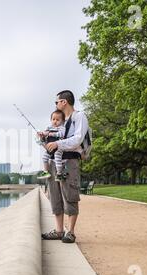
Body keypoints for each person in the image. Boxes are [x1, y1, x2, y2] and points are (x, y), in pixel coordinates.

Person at [41, 90, 89, 244]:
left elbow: (78, 139)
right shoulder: (59, 121)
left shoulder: (79, 116)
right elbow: (50, 146)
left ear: (64, 102)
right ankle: (59, 230)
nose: (55, 105)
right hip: (55, 162)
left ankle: (71, 232)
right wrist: (45, 140)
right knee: (55, 196)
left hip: (70, 162)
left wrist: (57, 143)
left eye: (57, 102)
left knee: (70, 195)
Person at [36, 110, 67, 181]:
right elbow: (44, 134)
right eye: (53, 119)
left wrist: (51, 134)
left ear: (62, 121)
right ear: (51, 120)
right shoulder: (49, 127)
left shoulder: (62, 128)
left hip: (58, 147)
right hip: (50, 148)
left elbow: (61, 134)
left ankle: (59, 173)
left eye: (58, 120)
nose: (55, 121)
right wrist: (41, 134)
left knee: (57, 158)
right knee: (44, 158)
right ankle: (46, 172)